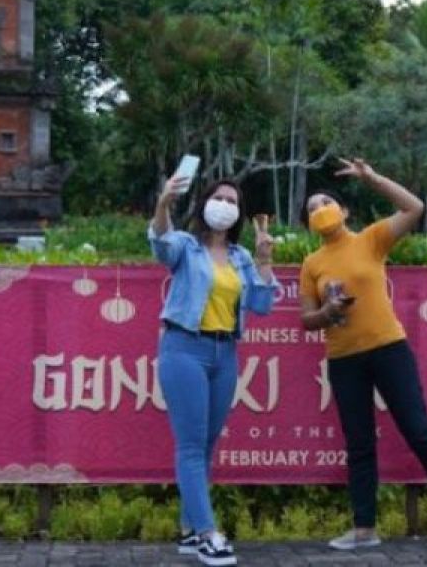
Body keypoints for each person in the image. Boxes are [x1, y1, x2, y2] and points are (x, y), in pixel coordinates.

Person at [299, 158, 427, 551]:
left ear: (344, 211)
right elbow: (306, 320)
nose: (319, 210)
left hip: (388, 350)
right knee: (359, 443)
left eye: (325, 202)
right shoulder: (312, 264)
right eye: (311, 208)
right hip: (344, 359)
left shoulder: (371, 239)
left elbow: (414, 208)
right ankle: (365, 529)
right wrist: (326, 314)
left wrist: (372, 178)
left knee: (419, 431)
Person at [150, 176, 278, 567]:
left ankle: (189, 530)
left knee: (206, 446)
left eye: (232, 201)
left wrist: (264, 258)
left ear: (238, 213)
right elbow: (159, 245)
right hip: (184, 347)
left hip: (225, 352)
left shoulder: (239, 256)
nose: (224, 204)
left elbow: (261, 306)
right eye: (218, 198)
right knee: (190, 445)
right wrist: (163, 204)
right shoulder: (187, 247)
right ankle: (208, 534)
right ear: (205, 203)